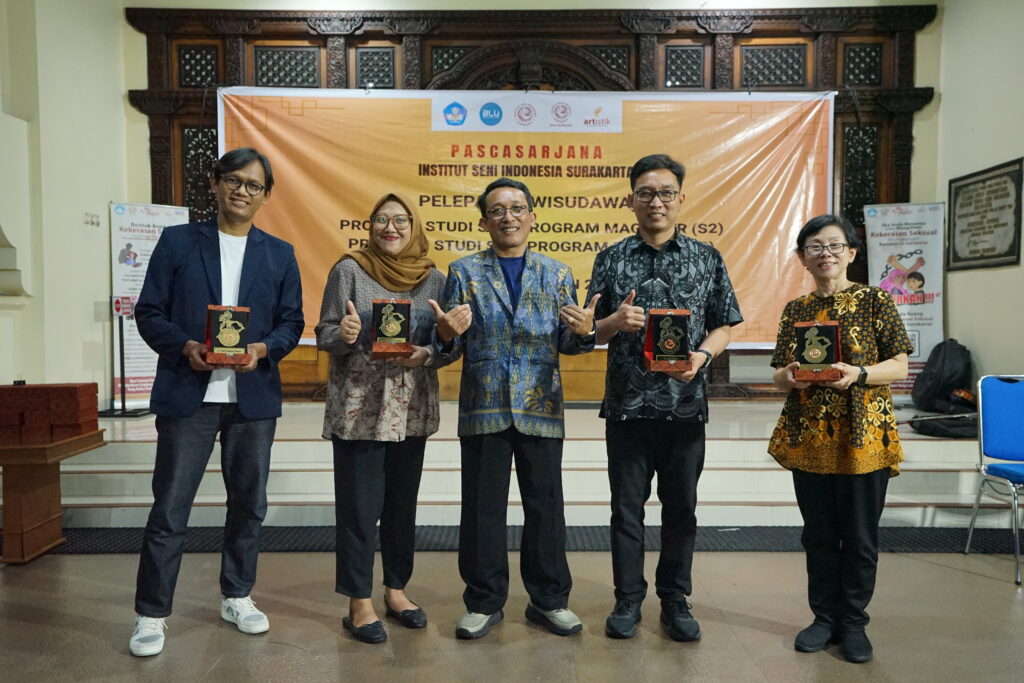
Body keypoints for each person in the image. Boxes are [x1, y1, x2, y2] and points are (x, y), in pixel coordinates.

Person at [129, 147, 304, 657]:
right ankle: (151, 614)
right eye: (234, 180)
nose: (242, 191)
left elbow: (291, 322)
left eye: (254, 185)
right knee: (170, 507)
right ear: (215, 182)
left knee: (249, 505)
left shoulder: (279, 253)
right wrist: (186, 347)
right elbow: (149, 312)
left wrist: (262, 349)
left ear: (266, 195)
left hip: (252, 400)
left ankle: (237, 595)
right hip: (189, 395)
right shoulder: (178, 241)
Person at [586, 154, 742, 642]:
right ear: (631, 199)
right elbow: (589, 330)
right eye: (647, 193)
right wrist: (614, 323)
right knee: (625, 510)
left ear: (680, 199)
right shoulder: (611, 258)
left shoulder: (707, 257)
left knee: (681, 510)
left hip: (684, 406)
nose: (656, 201)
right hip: (627, 407)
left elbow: (725, 323)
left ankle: (675, 599)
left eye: (666, 193)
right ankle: (628, 599)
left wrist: (703, 356)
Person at [436, 177, 597, 639]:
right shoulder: (463, 272)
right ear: (484, 221)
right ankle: (483, 601)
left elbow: (569, 342)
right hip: (483, 405)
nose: (508, 217)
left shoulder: (557, 273)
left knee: (546, 509)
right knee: (482, 509)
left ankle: (549, 601)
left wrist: (586, 331)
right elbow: (449, 347)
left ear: (532, 216)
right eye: (497, 210)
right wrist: (444, 335)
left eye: (516, 208)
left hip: (540, 405)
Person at [315, 193, 471, 644]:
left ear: (414, 226)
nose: (391, 228)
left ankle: (396, 590)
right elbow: (325, 332)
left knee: (402, 507)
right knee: (359, 509)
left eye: (400, 220)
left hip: (411, 410)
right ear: (371, 226)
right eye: (381, 220)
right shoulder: (349, 270)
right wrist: (344, 334)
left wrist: (437, 344)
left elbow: (446, 348)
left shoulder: (435, 279)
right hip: (359, 408)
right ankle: (358, 601)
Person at [770, 213, 912, 664]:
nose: (825, 254)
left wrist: (860, 373)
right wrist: (790, 376)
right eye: (815, 247)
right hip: (811, 434)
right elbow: (778, 372)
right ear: (803, 258)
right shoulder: (796, 310)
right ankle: (823, 618)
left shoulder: (875, 300)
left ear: (851, 253)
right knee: (818, 535)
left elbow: (900, 365)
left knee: (860, 537)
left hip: (863, 434)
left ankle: (853, 623)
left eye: (834, 245)